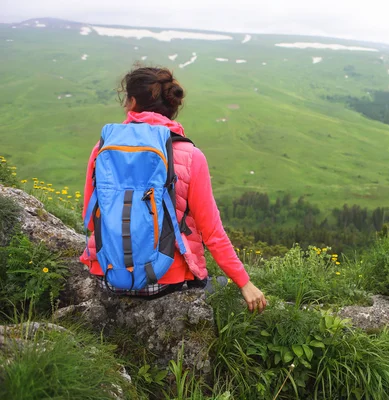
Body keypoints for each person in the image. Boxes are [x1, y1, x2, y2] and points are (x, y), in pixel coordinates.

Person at [80, 66, 267, 313]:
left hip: (110, 276)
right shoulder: (190, 155)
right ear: (172, 106)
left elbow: (91, 218)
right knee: (220, 285)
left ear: (132, 101)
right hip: (165, 280)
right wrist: (244, 282)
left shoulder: (103, 147)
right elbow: (212, 232)